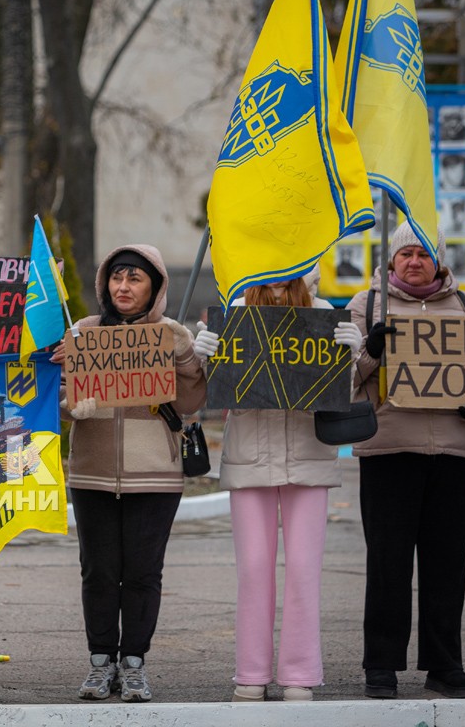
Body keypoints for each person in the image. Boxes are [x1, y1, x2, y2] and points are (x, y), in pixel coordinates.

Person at [346, 223, 465, 700]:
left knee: (446, 564)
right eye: (406, 254)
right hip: (389, 448)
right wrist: (370, 352)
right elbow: (340, 382)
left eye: (424, 254)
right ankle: (381, 665)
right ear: (392, 262)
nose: (415, 261)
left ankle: (445, 664)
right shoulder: (364, 306)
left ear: (439, 261)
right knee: (387, 564)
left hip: (455, 453)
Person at [192, 276, 363, 702]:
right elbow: (213, 388)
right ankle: (251, 672)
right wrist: (204, 359)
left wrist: (353, 356)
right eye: (272, 280)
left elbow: (349, 392)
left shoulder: (326, 315)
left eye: (289, 280)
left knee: (305, 569)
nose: (279, 289)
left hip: (309, 454)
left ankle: (299, 673)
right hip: (250, 454)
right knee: (252, 567)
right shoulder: (235, 316)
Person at [56, 244, 206, 703]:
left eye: (135, 278)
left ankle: (134, 664)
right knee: (98, 572)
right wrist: (70, 405)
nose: (123, 287)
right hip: (92, 472)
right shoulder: (82, 331)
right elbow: (56, 399)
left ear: (155, 287)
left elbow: (190, 404)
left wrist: (186, 358)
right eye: (117, 277)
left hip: (155, 474)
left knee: (143, 573)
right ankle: (101, 663)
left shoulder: (171, 333)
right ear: (105, 284)